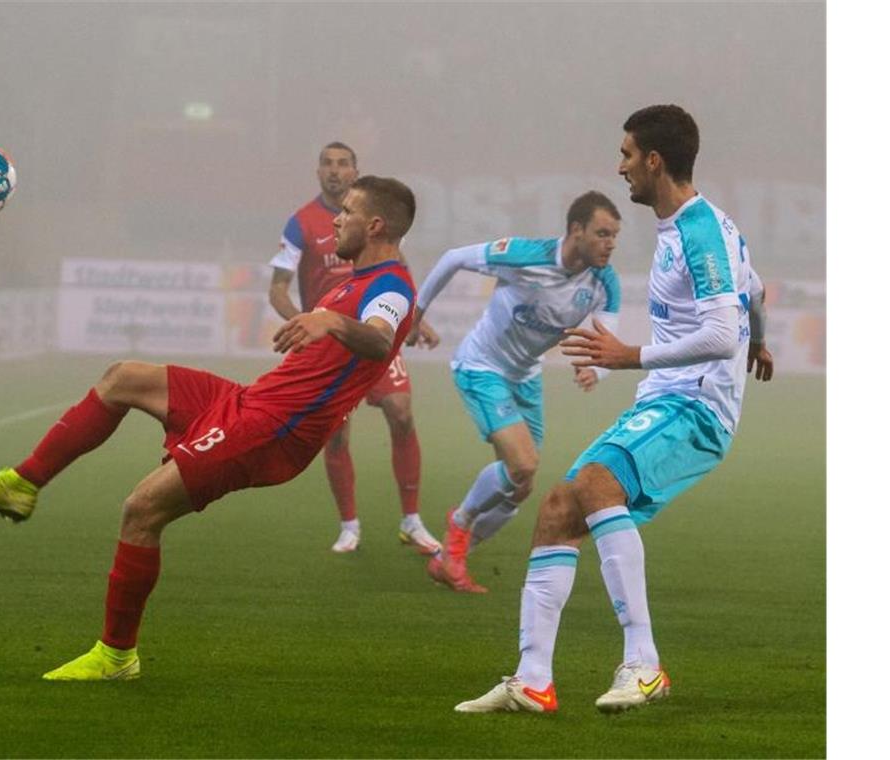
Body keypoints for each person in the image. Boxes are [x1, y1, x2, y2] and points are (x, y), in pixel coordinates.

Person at [0, 176, 422, 680]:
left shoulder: (390, 287)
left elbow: (378, 340)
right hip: (248, 400)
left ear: (375, 224)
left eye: (346, 211)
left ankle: (116, 657)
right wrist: (326, 318)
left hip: (274, 429)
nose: (336, 220)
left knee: (141, 510)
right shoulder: (351, 280)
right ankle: (21, 484)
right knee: (124, 377)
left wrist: (333, 323)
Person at [454, 104, 774, 715]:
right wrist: (759, 335)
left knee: (598, 484)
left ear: (654, 161)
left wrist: (631, 356)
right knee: (556, 507)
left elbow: (719, 335)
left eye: (626, 154)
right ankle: (532, 680)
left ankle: (645, 664)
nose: (619, 165)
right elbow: (753, 292)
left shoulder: (699, 232)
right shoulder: (698, 225)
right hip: (667, 401)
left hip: (697, 406)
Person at [408, 191, 623, 593]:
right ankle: (458, 526)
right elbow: (454, 257)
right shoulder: (525, 255)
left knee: (518, 487)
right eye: (602, 233)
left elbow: (609, 344)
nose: (610, 244)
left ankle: (448, 559)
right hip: (482, 367)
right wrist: (415, 316)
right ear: (576, 230)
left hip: (526, 376)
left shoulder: (604, 282)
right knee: (523, 464)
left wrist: (595, 371)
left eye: (614, 235)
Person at [269, 142, 441, 554]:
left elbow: (395, 272)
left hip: (371, 331)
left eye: (343, 164)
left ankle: (412, 521)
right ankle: (349, 526)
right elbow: (277, 289)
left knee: (401, 412)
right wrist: (305, 324)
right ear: (317, 172)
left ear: (355, 170)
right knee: (336, 435)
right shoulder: (301, 223)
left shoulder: (374, 220)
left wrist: (416, 321)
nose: (335, 171)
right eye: (327, 163)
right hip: (331, 341)